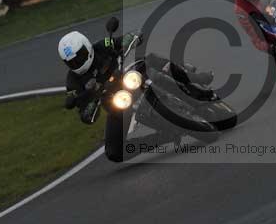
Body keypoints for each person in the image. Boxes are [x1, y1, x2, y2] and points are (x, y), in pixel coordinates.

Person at [58, 22, 213, 161]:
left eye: (80, 56)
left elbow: (125, 39)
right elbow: (85, 114)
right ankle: (164, 137)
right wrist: (89, 106)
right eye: (72, 62)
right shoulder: (72, 82)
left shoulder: (101, 46)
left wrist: (131, 38)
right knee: (114, 152)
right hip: (116, 104)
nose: (77, 62)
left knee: (150, 61)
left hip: (129, 77)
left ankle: (195, 78)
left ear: (87, 47)